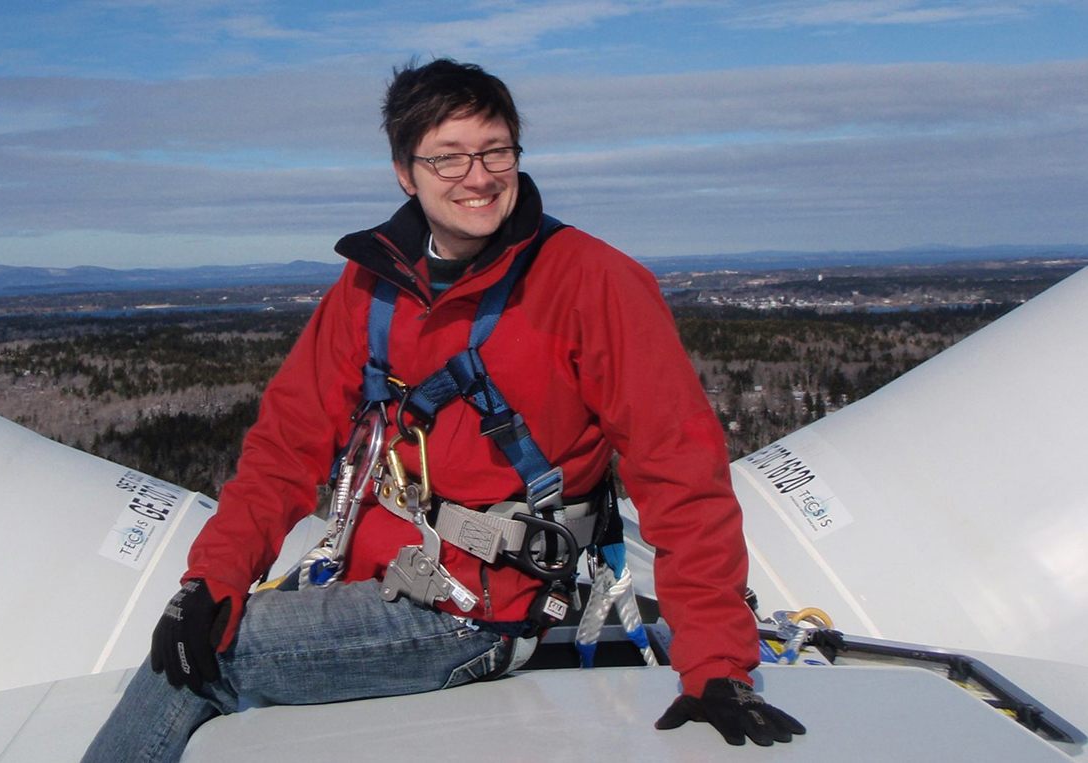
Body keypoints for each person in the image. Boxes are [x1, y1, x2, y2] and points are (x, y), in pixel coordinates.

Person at [82, 58, 803, 762]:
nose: (478, 177)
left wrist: (714, 662)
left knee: (188, 667)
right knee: (199, 625)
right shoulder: (372, 285)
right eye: (448, 158)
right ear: (405, 171)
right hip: (381, 579)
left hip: (474, 613)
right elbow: (286, 444)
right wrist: (210, 579)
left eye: (494, 151)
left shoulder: (591, 282)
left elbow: (677, 467)